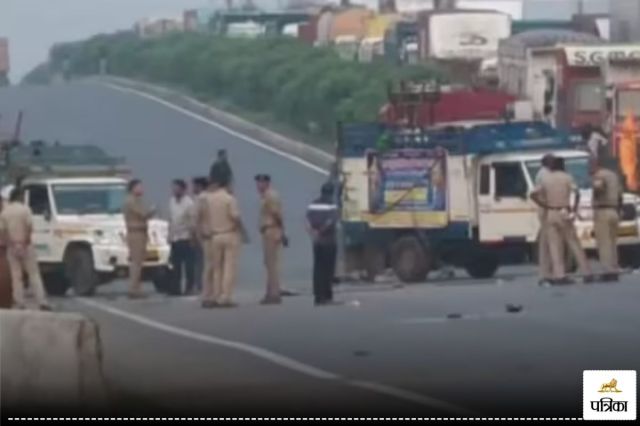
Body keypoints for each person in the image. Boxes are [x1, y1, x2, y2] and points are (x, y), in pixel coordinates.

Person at [530, 157, 592, 284]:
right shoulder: (567, 177)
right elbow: (577, 192)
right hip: (564, 211)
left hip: (551, 212)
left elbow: (533, 194)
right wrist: (573, 209)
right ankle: (586, 271)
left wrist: (543, 205)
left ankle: (559, 275)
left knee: (554, 245)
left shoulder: (545, 178)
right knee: (573, 242)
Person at [199, 176, 246, 308]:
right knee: (229, 267)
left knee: (217, 268)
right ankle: (225, 296)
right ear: (227, 185)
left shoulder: (209, 199)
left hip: (215, 235)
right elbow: (235, 217)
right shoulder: (229, 199)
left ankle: (216, 294)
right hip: (229, 233)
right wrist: (242, 231)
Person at [0, 189, 50, 310]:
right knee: (34, 274)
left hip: (12, 247)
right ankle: (42, 301)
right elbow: (29, 227)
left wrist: (11, 244)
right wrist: (24, 243)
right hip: (26, 246)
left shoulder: (5, 213)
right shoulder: (25, 209)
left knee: (16, 276)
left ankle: (19, 302)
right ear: (19, 197)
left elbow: (3, 231)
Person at [255, 174, 288, 305]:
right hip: (269, 230)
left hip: (272, 230)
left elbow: (276, 214)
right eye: (257, 183)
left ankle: (274, 293)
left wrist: (282, 230)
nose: (258, 186)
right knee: (269, 263)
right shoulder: (266, 196)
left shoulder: (270, 196)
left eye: (260, 183)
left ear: (266, 183)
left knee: (272, 264)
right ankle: (270, 292)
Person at [306, 183, 339, 305]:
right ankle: (326, 296)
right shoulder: (331, 204)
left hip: (317, 242)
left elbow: (307, 221)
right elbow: (331, 221)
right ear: (331, 193)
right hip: (328, 241)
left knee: (317, 269)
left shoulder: (313, 204)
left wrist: (314, 232)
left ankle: (318, 297)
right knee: (328, 270)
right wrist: (322, 231)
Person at [591, 157, 623, 281]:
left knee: (603, 243)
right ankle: (614, 267)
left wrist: (596, 196)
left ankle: (607, 271)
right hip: (614, 210)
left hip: (602, 210)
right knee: (612, 242)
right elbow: (620, 195)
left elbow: (599, 188)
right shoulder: (614, 176)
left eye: (591, 163)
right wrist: (619, 210)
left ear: (596, 164)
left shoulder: (599, 175)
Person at [123, 179, 156, 298]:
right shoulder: (131, 201)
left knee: (138, 262)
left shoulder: (136, 200)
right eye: (139, 187)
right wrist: (152, 210)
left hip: (140, 232)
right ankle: (134, 289)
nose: (142, 189)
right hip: (136, 233)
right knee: (136, 262)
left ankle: (136, 287)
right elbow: (144, 214)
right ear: (133, 188)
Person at [168, 179, 196, 295]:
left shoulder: (189, 203)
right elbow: (171, 219)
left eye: (177, 188)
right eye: (173, 188)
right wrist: (169, 235)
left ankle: (189, 287)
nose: (175, 190)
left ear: (183, 189)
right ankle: (176, 288)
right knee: (176, 265)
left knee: (189, 266)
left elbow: (193, 221)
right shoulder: (171, 201)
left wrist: (193, 237)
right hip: (175, 238)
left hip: (186, 237)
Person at [535, 153, 555, 284]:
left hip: (545, 209)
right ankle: (547, 273)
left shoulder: (541, 173)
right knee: (549, 242)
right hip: (547, 209)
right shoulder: (545, 175)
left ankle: (546, 272)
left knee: (546, 242)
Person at [191, 177, 209, 293]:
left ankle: (201, 285)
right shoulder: (204, 198)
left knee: (201, 261)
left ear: (200, 186)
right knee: (200, 261)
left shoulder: (201, 199)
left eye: (195, 186)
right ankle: (201, 284)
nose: (193, 188)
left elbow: (195, 218)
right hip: (205, 232)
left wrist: (193, 234)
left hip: (201, 233)